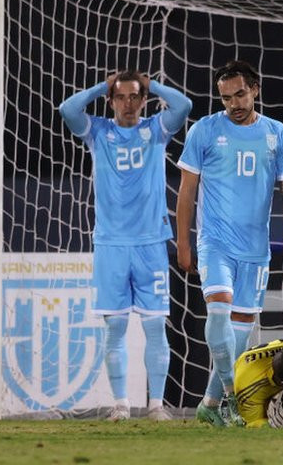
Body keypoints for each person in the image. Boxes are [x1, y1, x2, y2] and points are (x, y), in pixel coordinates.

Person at [176, 60, 283, 427]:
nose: (233, 103)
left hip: (256, 249)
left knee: (239, 330)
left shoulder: (277, 134)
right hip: (215, 241)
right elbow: (187, 192)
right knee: (219, 310)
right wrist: (183, 242)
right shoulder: (204, 131)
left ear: (255, 90)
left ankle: (209, 403)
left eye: (239, 94)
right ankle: (233, 398)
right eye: (225, 98)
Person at [58, 69, 192, 421]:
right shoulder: (99, 132)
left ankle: (157, 406)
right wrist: (103, 85)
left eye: (135, 96)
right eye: (121, 96)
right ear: (111, 100)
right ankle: (120, 405)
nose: (128, 103)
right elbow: (68, 109)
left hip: (150, 243)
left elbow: (184, 104)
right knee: (115, 327)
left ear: (144, 99)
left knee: (154, 326)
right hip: (111, 244)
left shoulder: (156, 130)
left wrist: (153, 84)